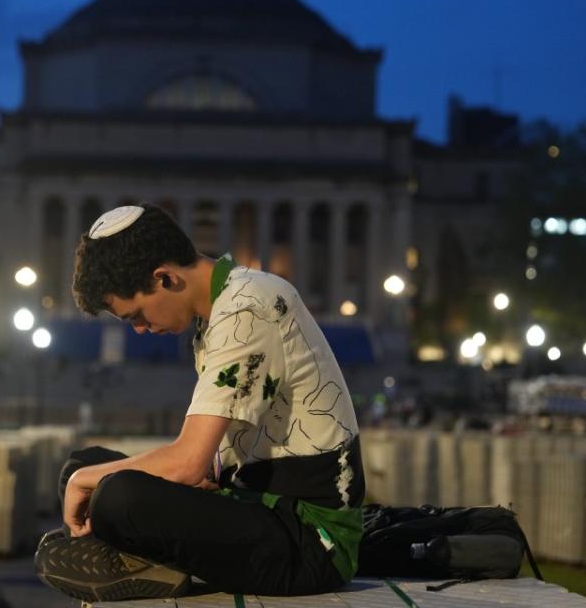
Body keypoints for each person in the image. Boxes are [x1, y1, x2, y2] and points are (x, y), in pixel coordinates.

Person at [35, 204, 365, 602]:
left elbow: (188, 462)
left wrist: (86, 483)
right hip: (255, 503)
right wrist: (85, 477)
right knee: (84, 465)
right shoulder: (219, 312)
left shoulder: (249, 307)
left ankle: (156, 561)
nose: (140, 330)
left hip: (308, 541)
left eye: (136, 315)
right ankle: (153, 560)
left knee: (111, 495)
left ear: (165, 277)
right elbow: (214, 456)